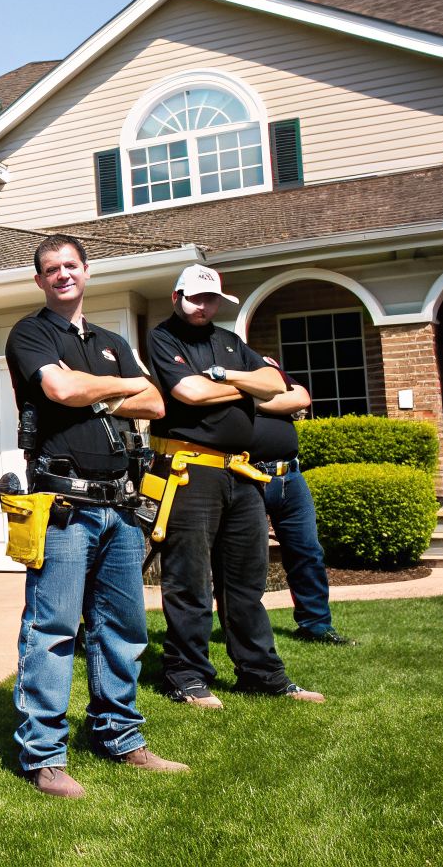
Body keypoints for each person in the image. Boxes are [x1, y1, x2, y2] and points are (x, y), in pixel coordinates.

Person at [3, 235, 188, 799]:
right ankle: (43, 755)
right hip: (62, 507)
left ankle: (119, 735)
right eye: (51, 269)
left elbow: (156, 404)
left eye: (70, 266)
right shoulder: (30, 334)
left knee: (124, 630)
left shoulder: (110, 340)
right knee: (52, 631)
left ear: (87, 271)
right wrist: (122, 388)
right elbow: (58, 388)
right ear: (39, 280)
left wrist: (99, 394)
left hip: (120, 506)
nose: (62, 275)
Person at [146, 265, 324, 708]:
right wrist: (248, 387)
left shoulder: (228, 341)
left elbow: (276, 383)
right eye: (194, 298)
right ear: (177, 297)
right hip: (191, 471)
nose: (202, 306)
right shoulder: (163, 338)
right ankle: (186, 675)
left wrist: (226, 379)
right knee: (188, 580)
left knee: (245, 582)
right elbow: (188, 392)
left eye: (209, 300)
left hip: (241, 472)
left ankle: (261, 673)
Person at [249, 366, 355, 645]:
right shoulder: (221, 371)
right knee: (247, 560)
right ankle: (245, 630)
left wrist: (248, 400)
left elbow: (300, 398)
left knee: (307, 551)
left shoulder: (264, 366)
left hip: (290, 476)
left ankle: (316, 625)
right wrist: (271, 400)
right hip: (246, 477)